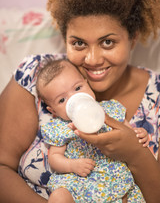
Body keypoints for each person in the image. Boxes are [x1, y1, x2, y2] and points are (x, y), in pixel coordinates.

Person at [0, 0, 160, 202]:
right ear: (65, 38)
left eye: (107, 42)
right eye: (78, 43)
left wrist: (135, 155)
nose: (92, 60)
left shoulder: (156, 98)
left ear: (133, 38)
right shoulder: (36, 75)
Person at [36, 58, 149, 203]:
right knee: (59, 196)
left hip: (113, 177)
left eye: (78, 88)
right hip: (78, 181)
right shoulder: (59, 127)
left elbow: (129, 134)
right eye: (62, 100)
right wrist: (72, 165)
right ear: (53, 111)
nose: (75, 98)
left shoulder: (110, 110)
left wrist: (140, 135)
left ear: (86, 82)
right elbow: (54, 158)